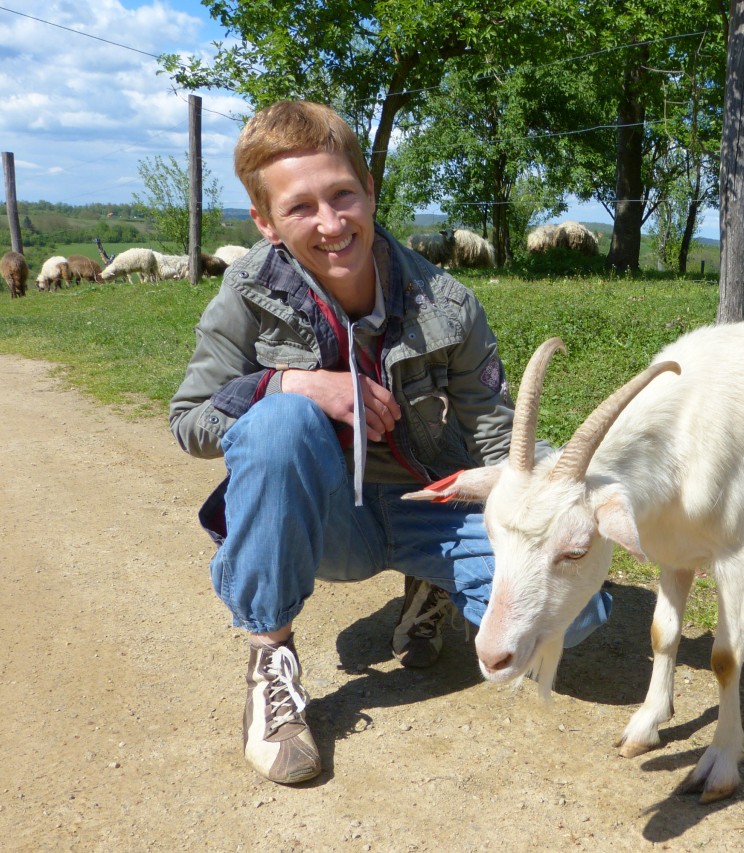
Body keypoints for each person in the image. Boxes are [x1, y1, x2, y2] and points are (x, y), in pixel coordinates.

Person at [169, 100, 611, 785]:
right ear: (265, 221)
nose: (331, 222)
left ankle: (429, 580)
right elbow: (190, 419)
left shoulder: (449, 303)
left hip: (433, 502)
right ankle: (270, 662)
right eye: (300, 207)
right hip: (327, 516)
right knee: (279, 421)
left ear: (370, 189)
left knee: (578, 616)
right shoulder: (248, 290)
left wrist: (557, 501)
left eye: (343, 194)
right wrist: (292, 383)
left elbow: (497, 441)